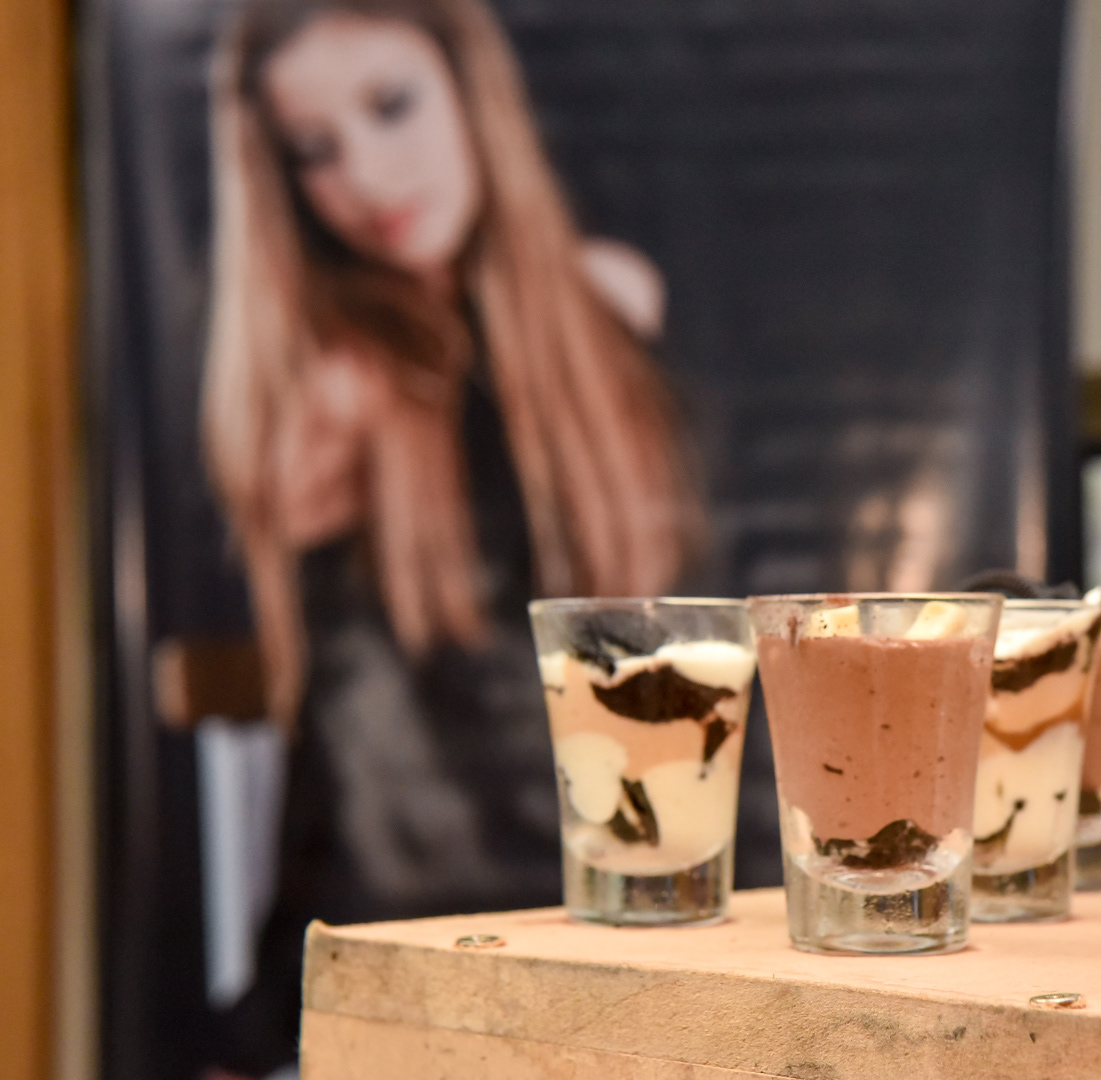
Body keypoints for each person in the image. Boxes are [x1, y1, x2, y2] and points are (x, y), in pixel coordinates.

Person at [200, 0, 697, 1071]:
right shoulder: (332, 397)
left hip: (624, 970)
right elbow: (346, 774)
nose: (368, 178)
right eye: (314, 150)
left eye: (391, 106)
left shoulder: (613, 315)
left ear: (473, 91)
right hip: (411, 986)